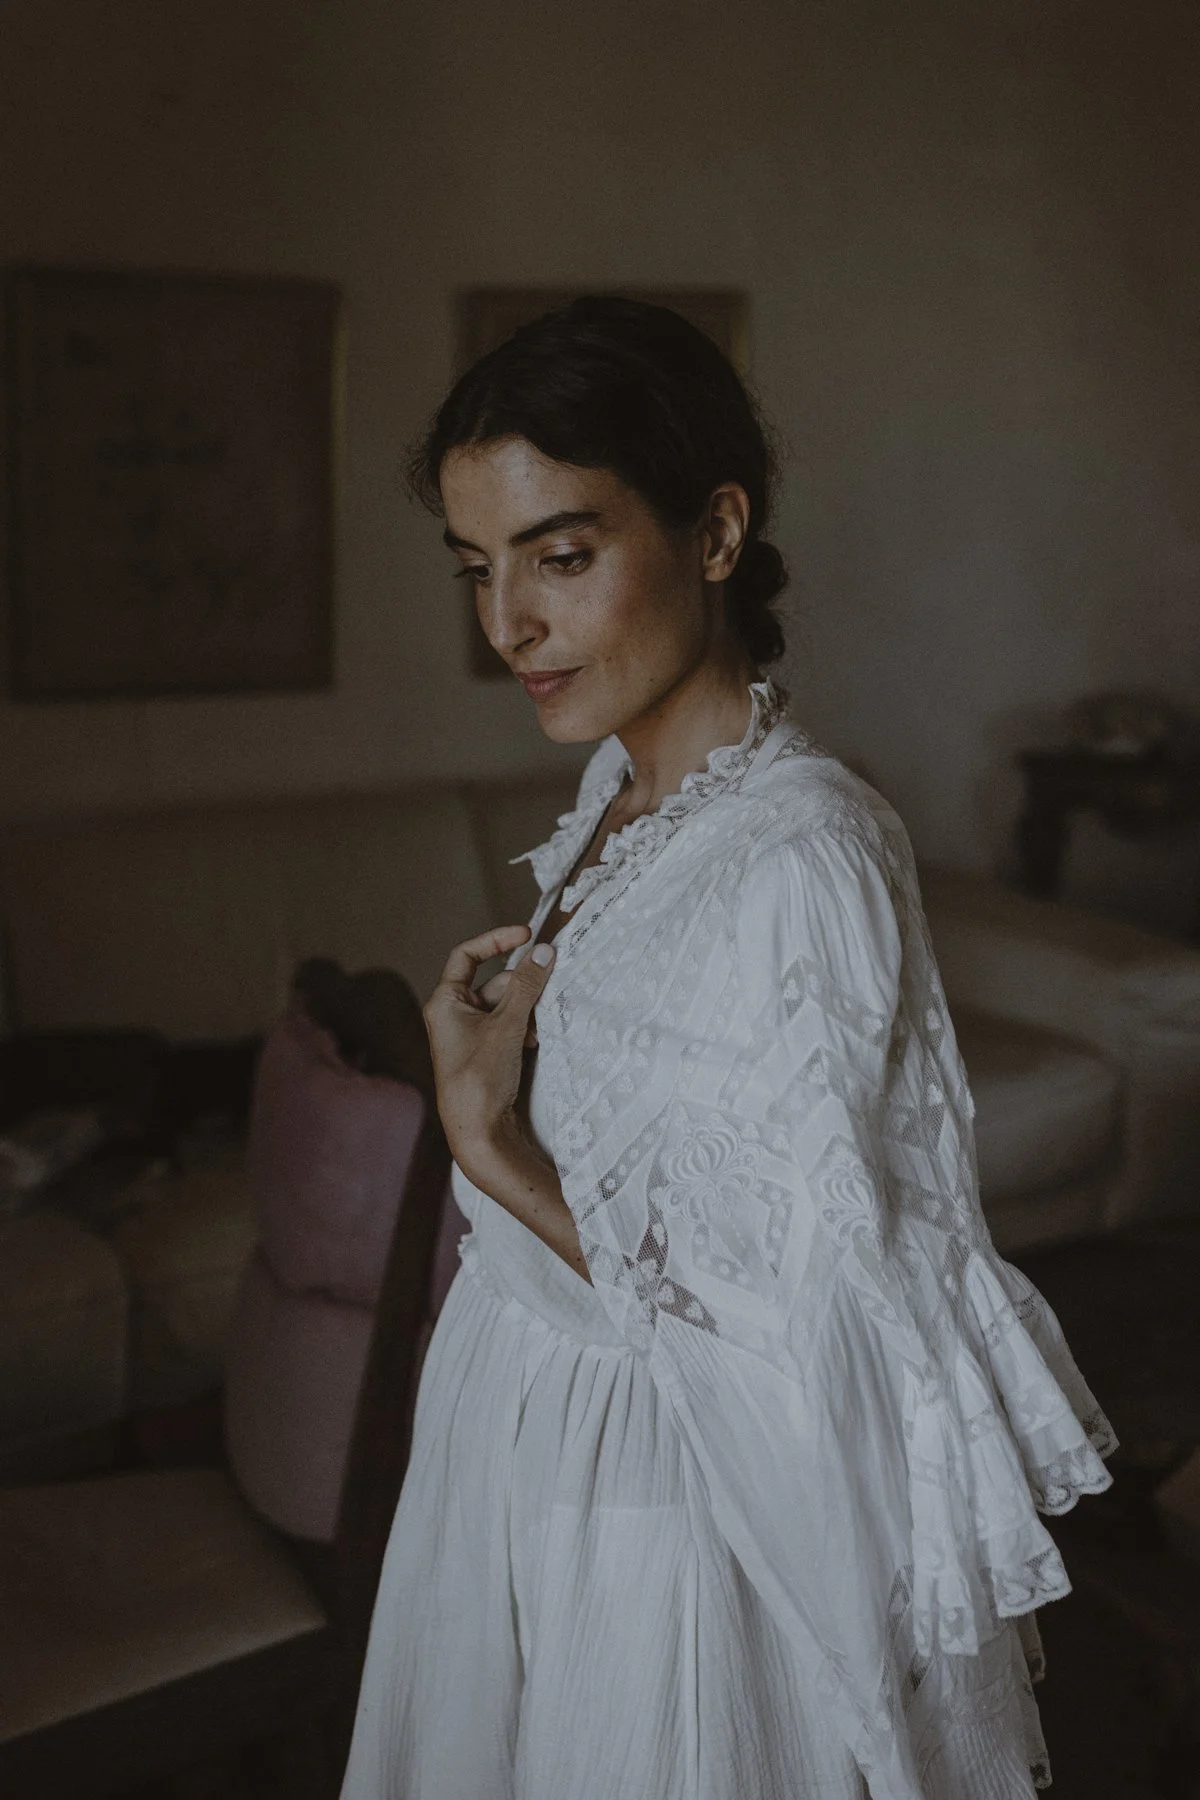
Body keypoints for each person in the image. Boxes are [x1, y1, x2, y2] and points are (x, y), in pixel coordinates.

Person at [338, 297, 1116, 1800]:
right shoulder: (626, 803)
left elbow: (798, 1331)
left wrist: (486, 1141)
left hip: (673, 1523)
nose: (508, 626)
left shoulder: (802, 854)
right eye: (479, 570)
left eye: (561, 556)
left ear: (713, 533)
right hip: (531, 1449)